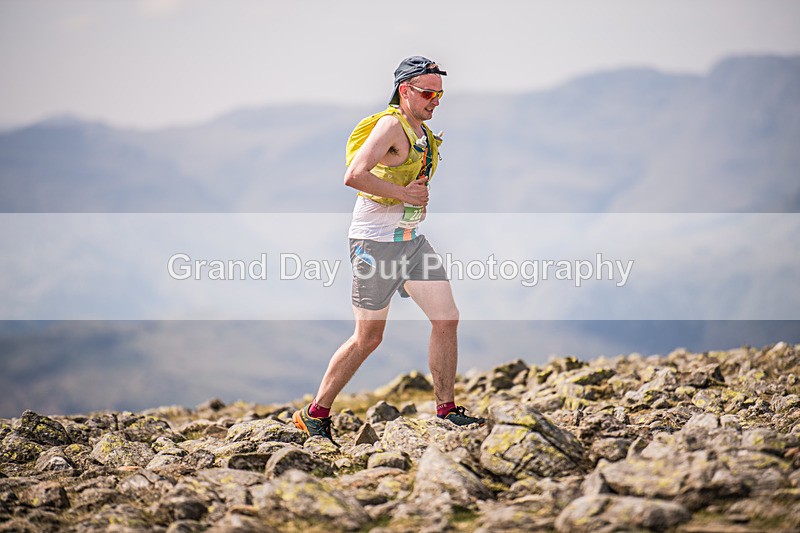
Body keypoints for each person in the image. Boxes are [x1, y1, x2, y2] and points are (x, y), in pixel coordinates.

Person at [293, 56, 484, 446]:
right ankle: (315, 415)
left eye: (440, 95)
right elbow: (353, 175)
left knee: (446, 318)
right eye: (428, 93)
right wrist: (404, 193)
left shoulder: (421, 131)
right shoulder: (389, 125)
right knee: (368, 338)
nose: (435, 101)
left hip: (410, 241)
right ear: (404, 90)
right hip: (374, 244)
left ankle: (446, 411)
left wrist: (414, 201)